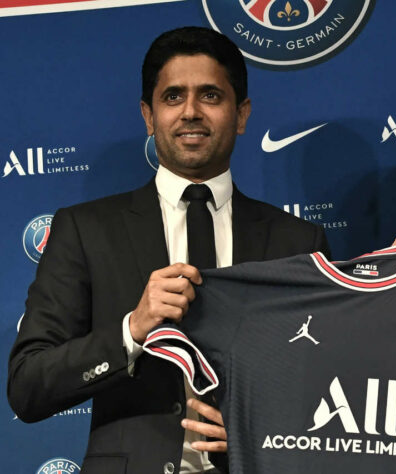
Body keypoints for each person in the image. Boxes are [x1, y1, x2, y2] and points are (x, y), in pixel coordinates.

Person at [8, 27, 329, 474]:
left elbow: (326, 388)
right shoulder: (85, 230)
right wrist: (132, 330)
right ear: (148, 115)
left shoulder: (299, 241)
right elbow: (28, 388)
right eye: (173, 97)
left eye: (211, 96)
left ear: (241, 114)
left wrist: (258, 428)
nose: (191, 113)